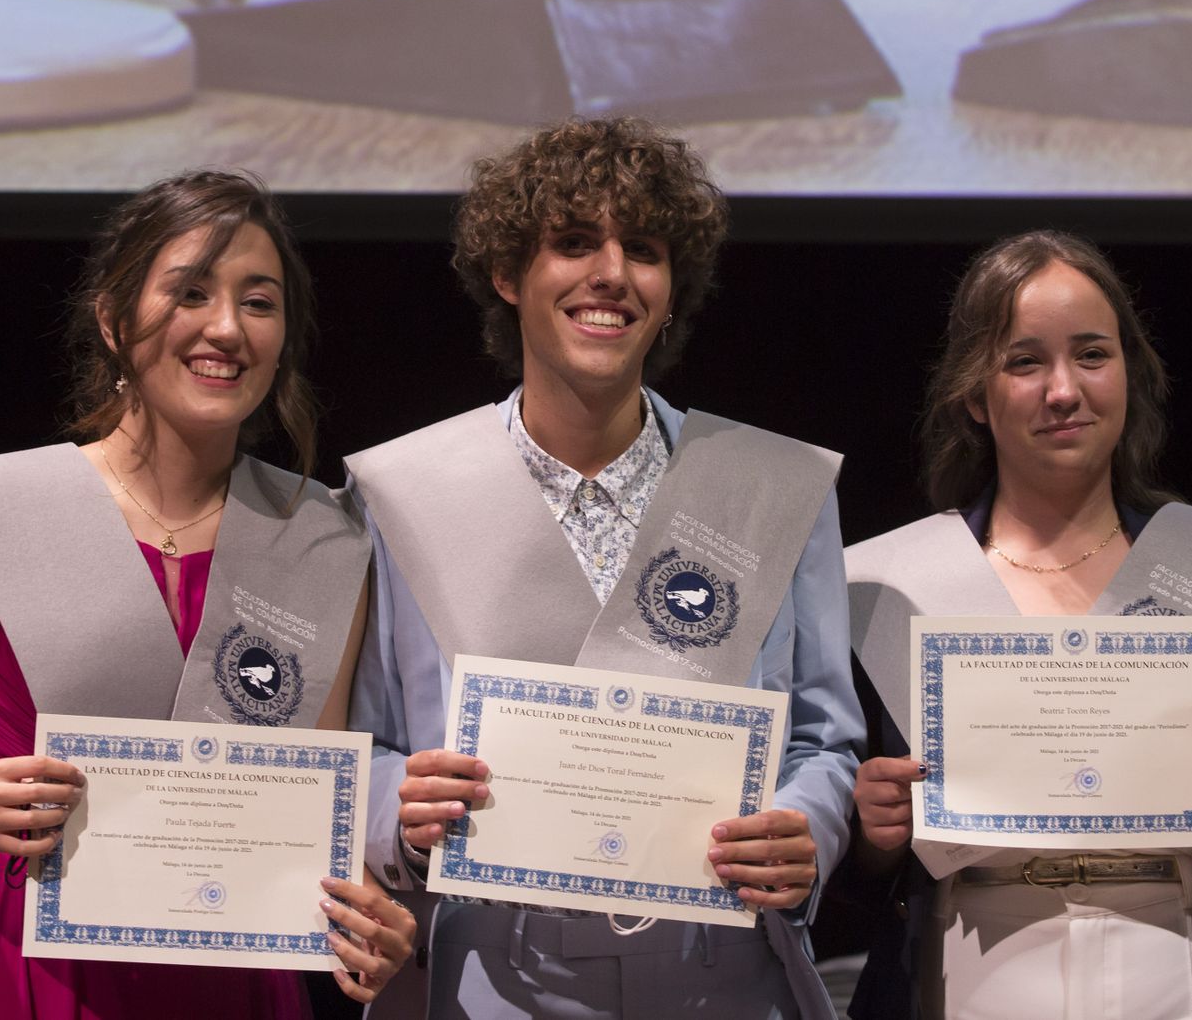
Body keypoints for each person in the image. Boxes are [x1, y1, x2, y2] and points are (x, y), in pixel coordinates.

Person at [0, 170, 416, 1017]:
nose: (226, 327)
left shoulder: (324, 538)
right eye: (190, 292)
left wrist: (370, 920)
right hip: (27, 973)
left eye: (259, 303)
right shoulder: (1, 511)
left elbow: (310, 808)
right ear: (115, 321)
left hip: (235, 980)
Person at [345, 116, 862, 1019]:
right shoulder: (403, 493)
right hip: (489, 974)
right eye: (575, 243)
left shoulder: (772, 489)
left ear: (671, 290)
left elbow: (825, 740)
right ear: (508, 274)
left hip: (723, 970)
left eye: (645, 250)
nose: (612, 274)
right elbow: (361, 750)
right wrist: (402, 808)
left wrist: (807, 827)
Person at [843, 230, 1192, 1020]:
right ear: (975, 395)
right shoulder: (887, 584)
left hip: (1187, 973)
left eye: (1092, 354)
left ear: (1131, 372)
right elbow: (829, 812)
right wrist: (871, 834)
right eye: (1025, 362)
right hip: (972, 973)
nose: (1065, 390)